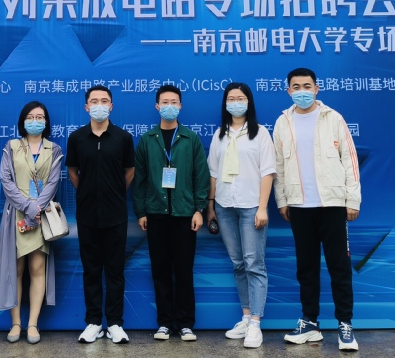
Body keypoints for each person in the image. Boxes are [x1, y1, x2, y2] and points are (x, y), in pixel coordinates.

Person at [273, 67, 361, 351]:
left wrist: (352, 200)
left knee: (339, 267)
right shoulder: (283, 122)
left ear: (316, 88)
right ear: (288, 90)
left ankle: (345, 325)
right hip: (300, 206)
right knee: (306, 268)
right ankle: (310, 322)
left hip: (332, 205)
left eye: (307, 86)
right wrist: (282, 200)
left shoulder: (333, 118)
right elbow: (279, 166)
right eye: (296, 87)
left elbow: (350, 160)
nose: (302, 91)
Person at [133, 84, 210, 342]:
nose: (169, 106)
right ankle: (165, 323)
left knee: (184, 270)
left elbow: (201, 176)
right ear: (157, 106)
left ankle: (186, 324)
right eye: (164, 102)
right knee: (160, 270)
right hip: (155, 214)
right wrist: (141, 212)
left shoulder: (190, 139)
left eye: (174, 102)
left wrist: (199, 209)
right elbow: (140, 179)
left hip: (185, 214)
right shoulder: (147, 139)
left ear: (180, 106)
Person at [206, 82, 276, 349]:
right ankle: (246, 317)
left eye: (241, 98)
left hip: (251, 206)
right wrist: (211, 207)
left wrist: (262, 207)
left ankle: (256, 322)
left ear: (249, 102)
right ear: (225, 103)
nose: (236, 102)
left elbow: (268, 172)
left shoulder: (261, 133)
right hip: (225, 206)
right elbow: (213, 173)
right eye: (231, 98)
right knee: (238, 263)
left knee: (254, 263)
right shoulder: (220, 134)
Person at [66, 86, 135, 344]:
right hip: (87, 215)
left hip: (116, 215)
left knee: (115, 271)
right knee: (91, 271)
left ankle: (115, 323)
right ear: (86, 107)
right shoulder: (77, 138)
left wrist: (114, 193)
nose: (99, 105)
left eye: (104, 101)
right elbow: (72, 171)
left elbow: (129, 171)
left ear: (111, 106)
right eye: (94, 101)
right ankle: (93, 322)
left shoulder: (123, 138)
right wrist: (87, 192)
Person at [0, 101, 63, 344]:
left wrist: (37, 208)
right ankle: (16, 323)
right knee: (16, 270)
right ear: (23, 121)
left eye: (40, 117)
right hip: (16, 214)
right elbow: (6, 181)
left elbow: (52, 183)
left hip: (41, 216)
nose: (35, 121)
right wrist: (28, 207)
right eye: (30, 117)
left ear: (46, 121)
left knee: (37, 269)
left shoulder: (54, 149)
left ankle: (32, 324)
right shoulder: (11, 146)